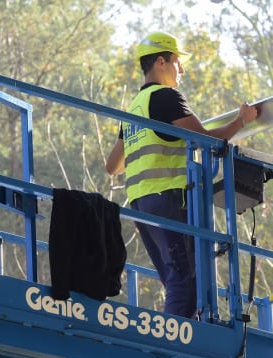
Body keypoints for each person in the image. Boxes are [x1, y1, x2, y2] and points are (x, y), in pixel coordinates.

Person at [105, 31, 258, 318]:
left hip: (141, 204)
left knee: (178, 280)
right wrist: (242, 121)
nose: (182, 70)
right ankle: (175, 343)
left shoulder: (134, 109)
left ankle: (182, 332)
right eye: (178, 62)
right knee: (185, 281)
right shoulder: (165, 97)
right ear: (161, 62)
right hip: (167, 198)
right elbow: (207, 140)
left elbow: (113, 165)